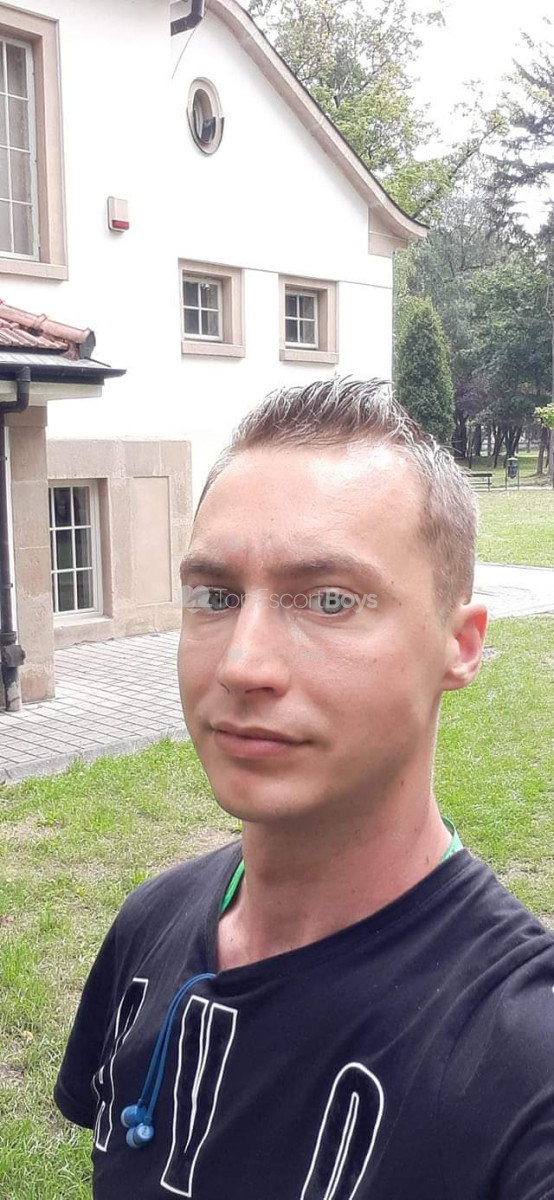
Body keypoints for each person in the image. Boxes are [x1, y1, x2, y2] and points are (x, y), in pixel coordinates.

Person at [54, 379, 554, 1200]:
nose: (242, 664)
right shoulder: (150, 925)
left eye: (328, 600)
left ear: (460, 646)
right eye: (215, 597)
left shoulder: (522, 1058)